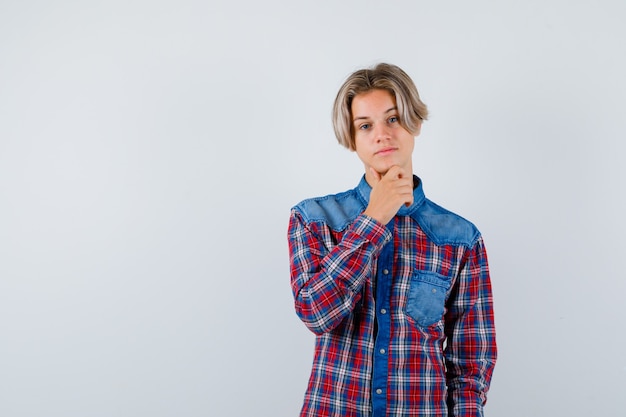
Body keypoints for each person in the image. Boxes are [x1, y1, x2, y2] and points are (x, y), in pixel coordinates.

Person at [287, 63, 497, 417]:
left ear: (413, 123)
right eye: (365, 126)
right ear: (352, 139)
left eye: (393, 119)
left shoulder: (460, 238)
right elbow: (316, 314)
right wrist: (373, 219)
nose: (381, 134)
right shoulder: (314, 219)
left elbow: (470, 364)